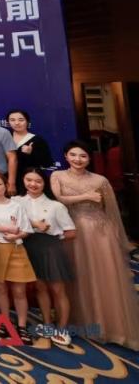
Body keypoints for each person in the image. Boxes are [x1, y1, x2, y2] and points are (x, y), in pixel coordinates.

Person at [50, 141, 139, 350]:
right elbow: (59, 198)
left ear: (90, 159)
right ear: (66, 156)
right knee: (78, 274)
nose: (77, 159)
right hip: (72, 231)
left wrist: (116, 235)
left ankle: (112, 326)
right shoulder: (57, 176)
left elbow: (111, 210)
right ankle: (80, 319)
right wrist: (87, 196)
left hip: (99, 233)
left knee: (104, 276)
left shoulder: (101, 180)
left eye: (83, 156)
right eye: (73, 155)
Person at [19, 168, 75, 346]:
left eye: (38, 181)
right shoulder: (17, 202)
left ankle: (62, 328)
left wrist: (54, 236)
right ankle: (48, 324)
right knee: (40, 288)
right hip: (28, 246)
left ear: (45, 183)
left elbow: (71, 232)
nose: (33, 184)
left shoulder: (55, 206)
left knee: (58, 290)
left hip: (51, 248)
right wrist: (34, 224)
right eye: (29, 180)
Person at [0, 171, 35, 344]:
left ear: (6, 186)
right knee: (0, 288)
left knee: (19, 290)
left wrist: (16, 235)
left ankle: (22, 325)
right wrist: (5, 228)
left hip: (15, 248)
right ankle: (5, 322)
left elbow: (26, 230)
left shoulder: (16, 205)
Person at [7, 110, 53, 188]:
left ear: (27, 121)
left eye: (21, 120)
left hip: (29, 182)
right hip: (6, 180)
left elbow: (47, 163)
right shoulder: (5, 137)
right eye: (12, 120)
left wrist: (31, 153)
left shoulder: (37, 140)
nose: (17, 123)